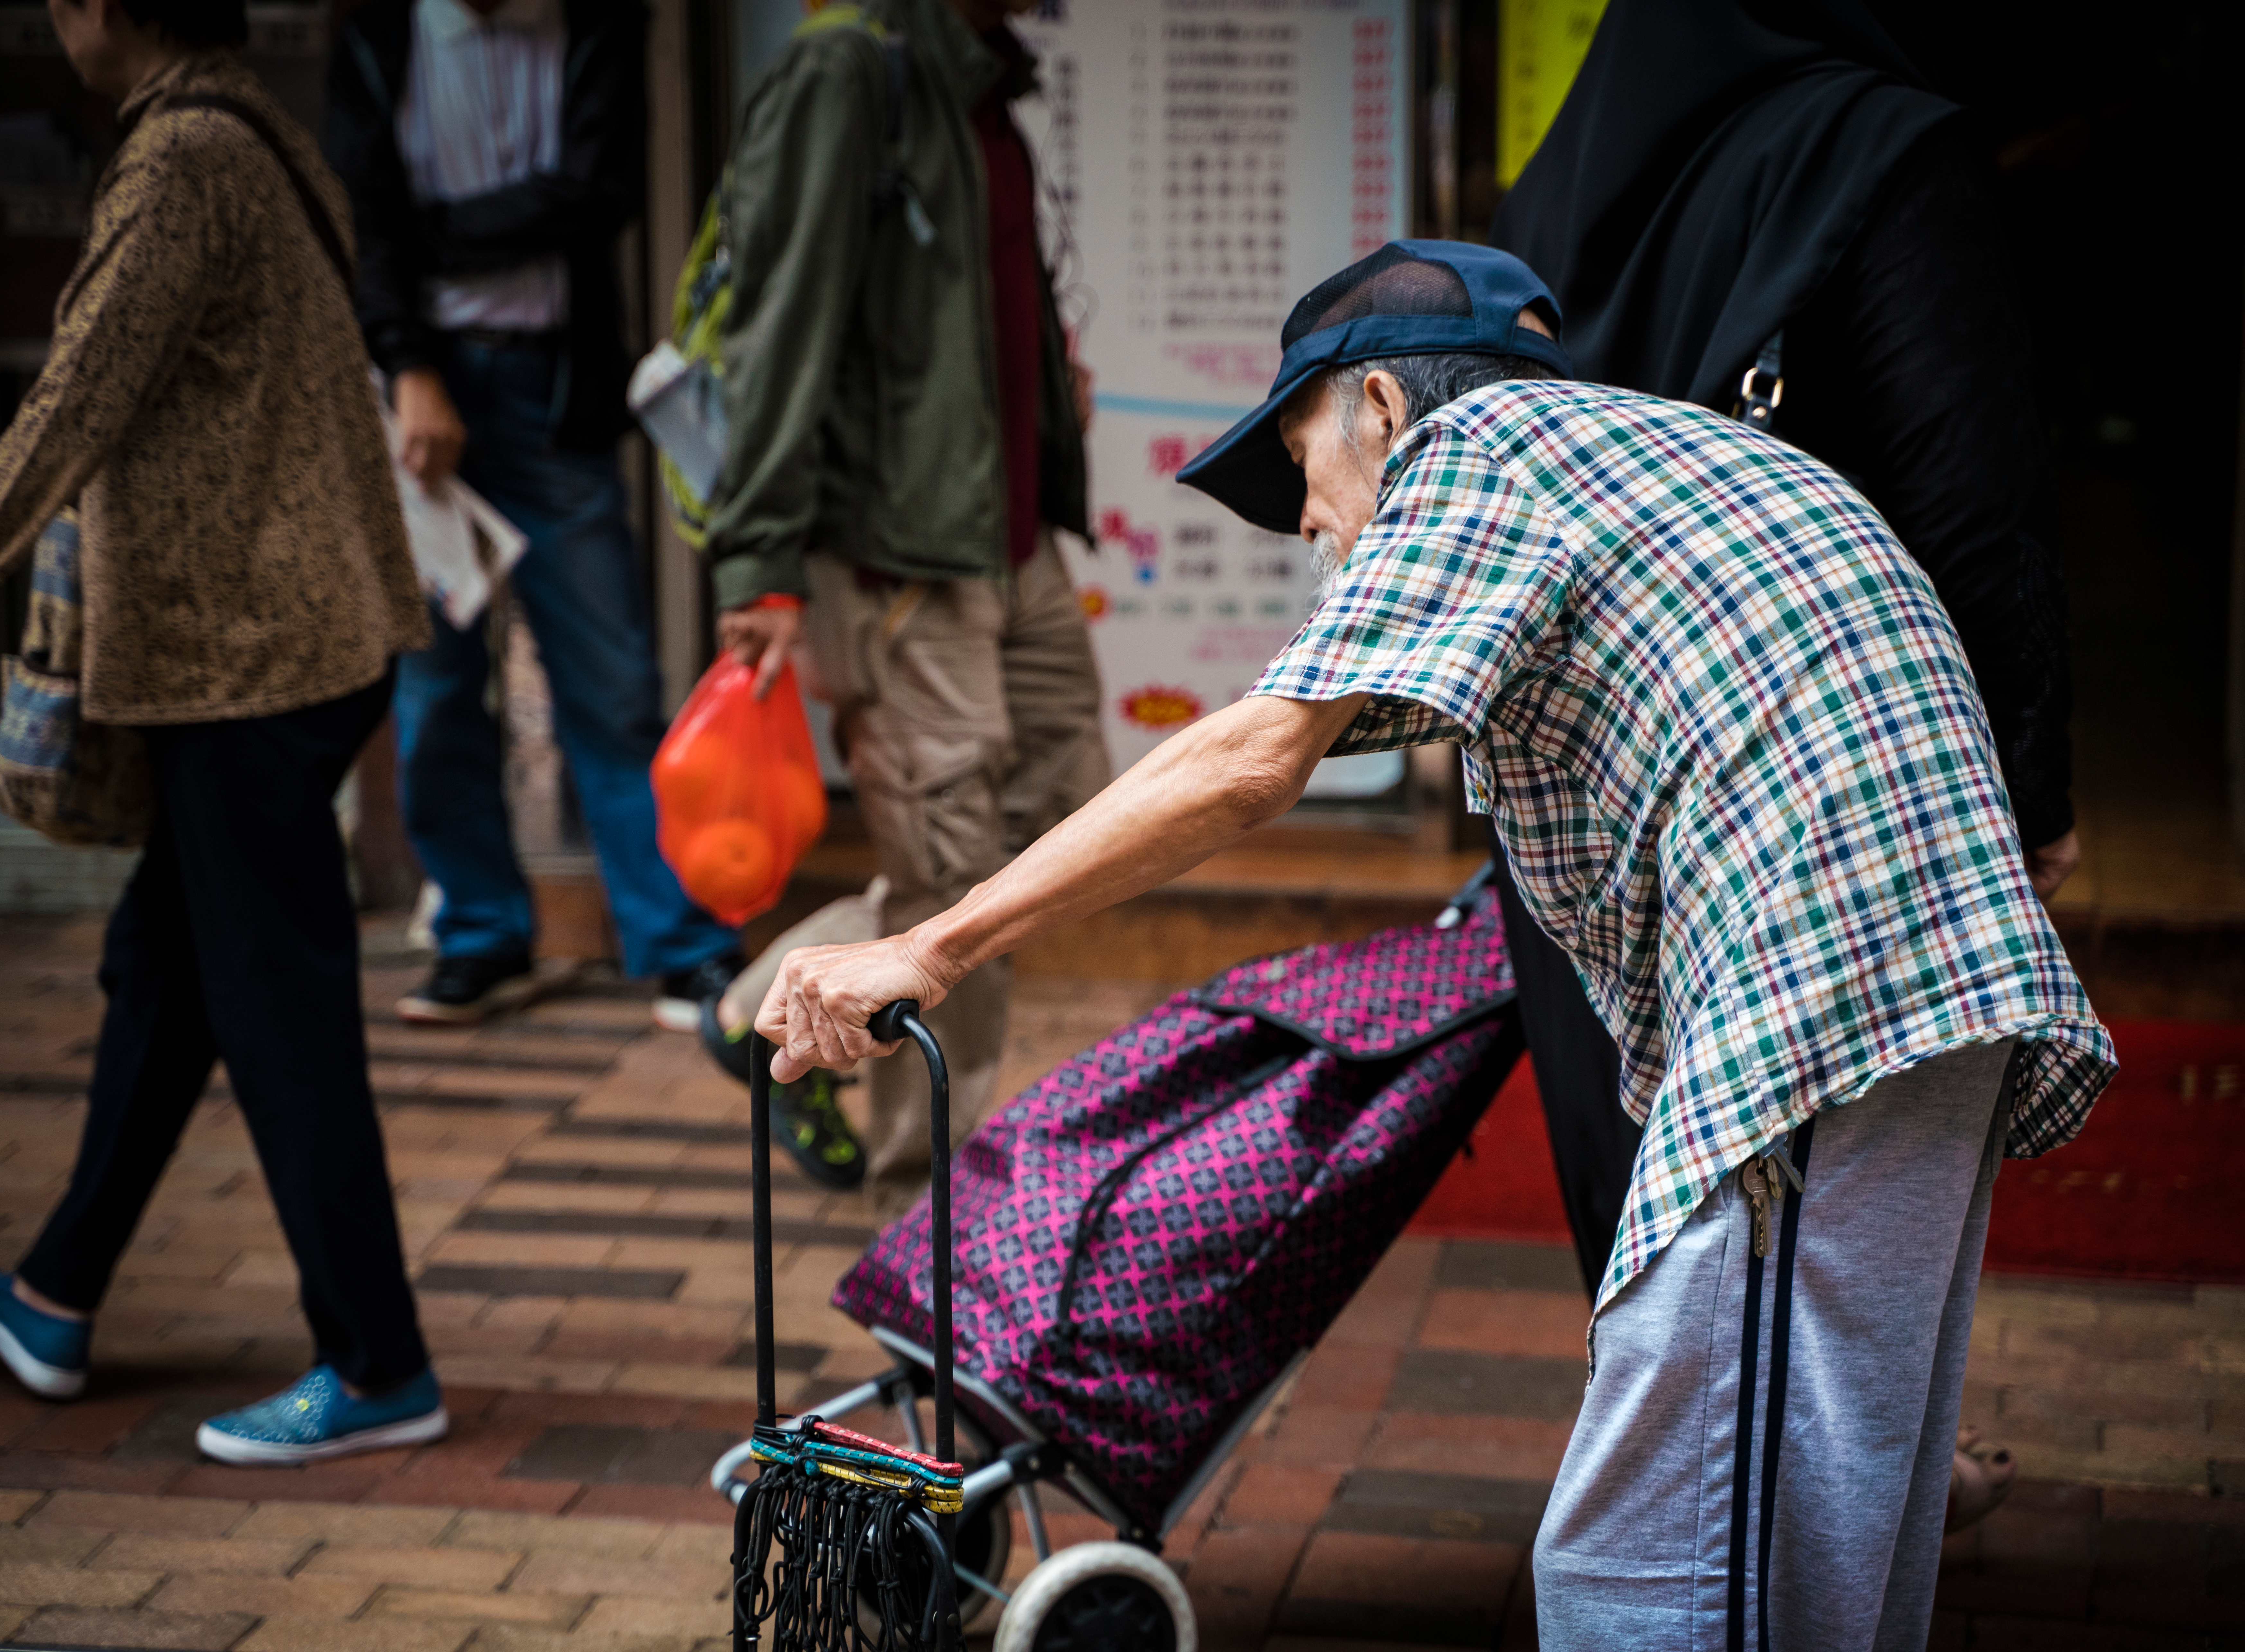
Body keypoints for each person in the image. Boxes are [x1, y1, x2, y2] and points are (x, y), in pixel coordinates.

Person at [745, 242, 2115, 1648]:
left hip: (1825, 995)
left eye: (1304, 467)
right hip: (1917, 987)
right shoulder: (1638, 456)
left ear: (1386, 411)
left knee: (1668, 1550)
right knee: (1817, 1522)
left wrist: (938, 942)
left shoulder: (1483, 453)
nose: (1308, 527)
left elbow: (1250, 760)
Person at [1482, 0, 2080, 1311]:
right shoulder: (1882, 150)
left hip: (1589, 789)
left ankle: (1669, 1462)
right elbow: (1970, 500)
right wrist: (2026, 796)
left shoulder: (1554, 189)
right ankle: (1779, 1495)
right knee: (1815, 1196)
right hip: (1809, 790)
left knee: (1642, 1167)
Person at [0, 0, 445, 1464]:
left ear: (109, 9)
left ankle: (377, 1364)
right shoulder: (255, 129)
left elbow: (83, 387)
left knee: (278, 1008)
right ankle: (56, 1290)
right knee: (165, 967)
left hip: (246, 653)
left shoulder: (185, 157)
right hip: (289, 635)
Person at [699, 0, 1102, 1206]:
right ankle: (924, 1191)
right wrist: (762, 563)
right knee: (951, 866)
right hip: (898, 556)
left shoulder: (978, 83)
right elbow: (777, 330)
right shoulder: (849, 73)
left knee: (1064, 816)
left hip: (1008, 539)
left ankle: (760, 998)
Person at [325, 0, 745, 1032]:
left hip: (556, 397)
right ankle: (479, 935)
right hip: (420, 401)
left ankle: (680, 947)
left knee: (612, 685)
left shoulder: (597, 25)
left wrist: (439, 234)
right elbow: (365, 225)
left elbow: (598, 196)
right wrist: (412, 365)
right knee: (434, 692)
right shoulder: (380, 33)